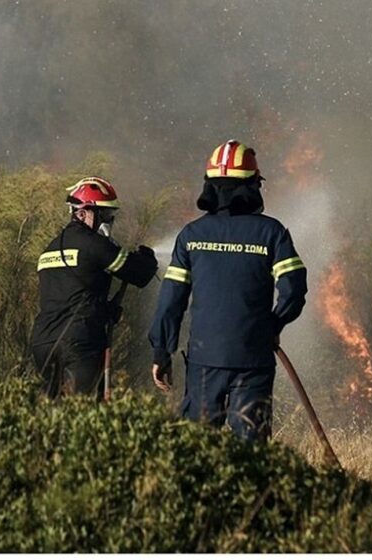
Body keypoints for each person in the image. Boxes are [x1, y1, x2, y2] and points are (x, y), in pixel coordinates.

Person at [148, 140, 307, 441]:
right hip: (253, 360)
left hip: (204, 361)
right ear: (252, 186)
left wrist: (161, 351)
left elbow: (171, 299)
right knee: (250, 455)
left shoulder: (191, 235)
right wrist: (272, 325)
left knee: (197, 450)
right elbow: (294, 290)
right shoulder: (272, 233)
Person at [31, 176, 158, 399]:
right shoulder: (94, 244)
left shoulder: (49, 249)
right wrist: (147, 259)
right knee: (83, 412)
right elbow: (140, 274)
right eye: (105, 215)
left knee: (51, 415)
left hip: (43, 343)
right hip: (79, 342)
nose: (109, 221)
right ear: (84, 212)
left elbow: (72, 293)